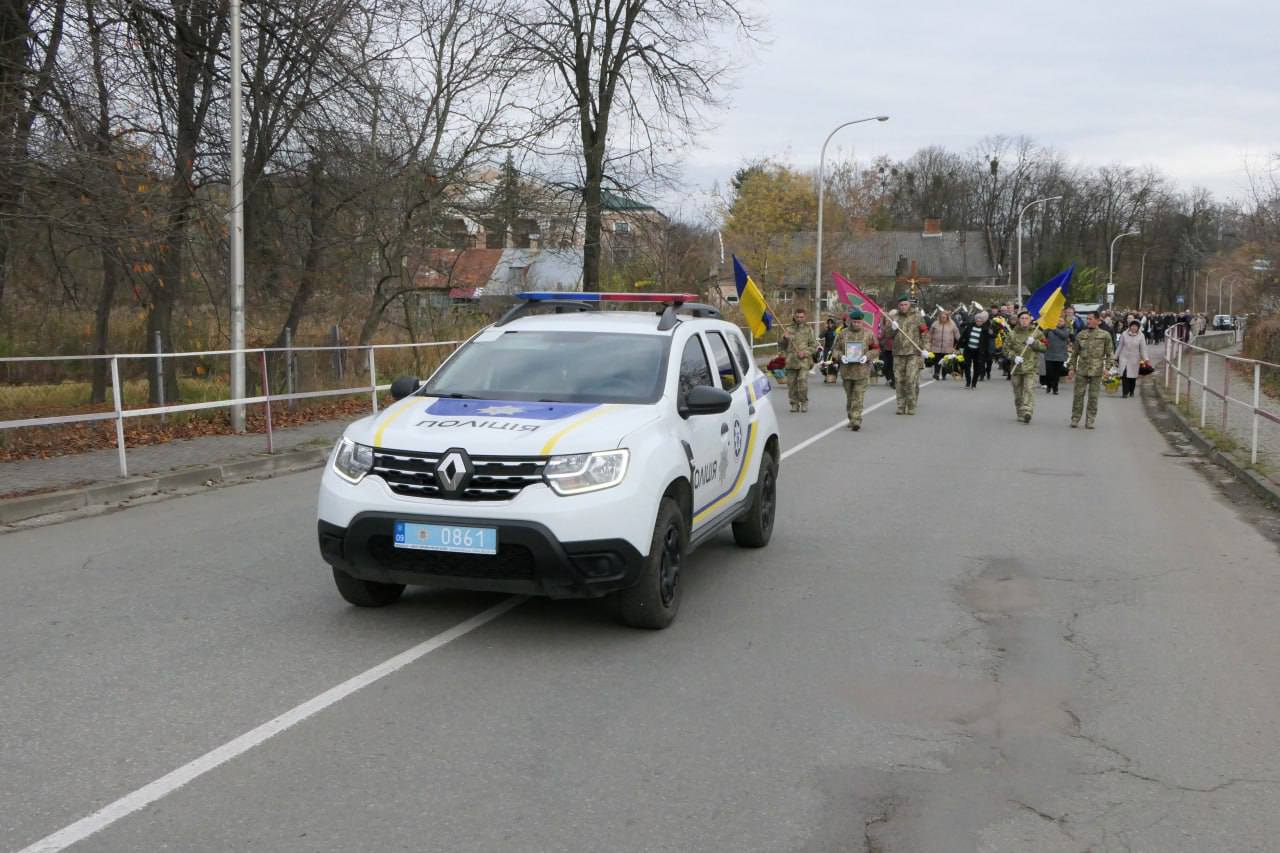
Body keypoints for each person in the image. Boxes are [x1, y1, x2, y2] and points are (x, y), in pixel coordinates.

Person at [832, 308, 879, 430]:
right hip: (847, 371)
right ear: (850, 321)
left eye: (859, 322)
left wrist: (867, 356)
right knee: (850, 397)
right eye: (854, 321)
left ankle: (856, 420)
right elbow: (835, 349)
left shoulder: (869, 334)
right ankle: (851, 417)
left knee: (858, 397)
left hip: (862, 371)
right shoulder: (843, 333)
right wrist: (841, 356)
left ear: (862, 321)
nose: (857, 324)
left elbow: (876, 349)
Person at [1067, 311, 1115, 429]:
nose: (1088, 321)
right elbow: (1074, 354)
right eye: (1087, 319)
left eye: (1091, 319)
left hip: (1097, 370)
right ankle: (1075, 418)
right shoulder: (1081, 335)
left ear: (1098, 320)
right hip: (1082, 370)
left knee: (1093, 397)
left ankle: (1090, 420)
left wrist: (1107, 368)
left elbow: (1110, 353)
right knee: (1078, 395)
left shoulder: (1105, 335)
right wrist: (1071, 368)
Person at [888, 295, 929, 415]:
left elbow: (925, 333)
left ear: (909, 305)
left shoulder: (917, 317)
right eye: (901, 305)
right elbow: (887, 335)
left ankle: (911, 405)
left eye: (905, 304)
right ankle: (901, 406)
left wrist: (926, 349)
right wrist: (892, 328)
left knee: (911, 380)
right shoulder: (895, 317)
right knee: (899, 380)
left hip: (913, 353)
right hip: (898, 353)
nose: (903, 307)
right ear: (898, 306)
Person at [1006, 311, 1048, 423]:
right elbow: (1005, 349)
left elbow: (1045, 347)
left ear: (1030, 320)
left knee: (1029, 389)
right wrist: (1013, 357)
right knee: (1018, 393)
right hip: (1016, 368)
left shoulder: (1037, 333)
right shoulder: (1012, 334)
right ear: (1019, 320)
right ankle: (1020, 413)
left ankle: (1028, 411)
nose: (1024, 320)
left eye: (1026, 318)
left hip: (1031, 367)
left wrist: (1035, 343)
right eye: (1022, 318)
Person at [779, 308, 818, 412]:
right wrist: (784, 339)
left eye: (801, 317)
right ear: (794, 317)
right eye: (797, 317)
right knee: (791, 384)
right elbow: (781, 346)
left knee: (802, 381)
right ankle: (794, 403)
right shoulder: (788, 329)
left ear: (805, 317)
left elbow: (814, 346)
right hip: (791, 361)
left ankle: (804, 402)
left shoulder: (808, 329)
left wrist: (805, 353)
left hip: (803, 361)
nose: (799, 319)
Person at [1114, 318, 1149, 398]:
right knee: (1124, 375)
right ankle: (1125, 393)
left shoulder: (1141, 336)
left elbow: (1143, 348)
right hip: (1124, 357)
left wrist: (1145, 358)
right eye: (1132, 326)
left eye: (1135, 326)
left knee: (1132, 377)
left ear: (1138, 327)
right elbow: (1120, 346)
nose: (1134, 328)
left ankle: (1131, 390)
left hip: (1134, 358)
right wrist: (1115, 356)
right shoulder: (1124, 334)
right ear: (1129, 326)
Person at [958, 310, 993, 389]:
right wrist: (958, 347)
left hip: (979, 351)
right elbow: (963, 337)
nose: (979, 322)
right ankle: (968, 382)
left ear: (982, 322)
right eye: (977, 320)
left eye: (980, 321)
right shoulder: (970, 326)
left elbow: (991, 338)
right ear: (975, 320)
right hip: (968, 349)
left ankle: (974, 383)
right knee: (967, 366)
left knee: (977, 367)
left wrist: (991, 333)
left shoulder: (985, 329)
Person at [1043, 316, 1071, 395]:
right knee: (1049, 372)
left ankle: (1055, 388)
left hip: (1060, 355)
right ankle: (1049, 385)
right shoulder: (1050, 329)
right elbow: (1043, 335)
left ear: (1064, 322)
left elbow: (1064, 336)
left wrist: (1053, 328)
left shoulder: (1066, 330)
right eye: (1058, 320)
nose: (1059, 322)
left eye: (1061, 321)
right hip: (1049, 354)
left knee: (1056, 373)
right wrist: (1047, 327)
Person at [928, 310, 959, 380]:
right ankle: (936, 373)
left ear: (947, 317)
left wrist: (960, 342)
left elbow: (956, 333)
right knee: (937, 360)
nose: (943, 318)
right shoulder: (935, 324)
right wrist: (928, 342)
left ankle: (944, 374)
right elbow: (930, 334)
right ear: (939, 317)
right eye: (942, 317)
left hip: (947, 346)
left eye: (944, 317)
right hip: (936, 346)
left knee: (945, 361)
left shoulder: (952, 324)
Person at [877, 321, 895, 389]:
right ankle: (889, 379)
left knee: (892, 366)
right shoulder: (885, 328)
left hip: (894, 350)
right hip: (885, 349)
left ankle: (893, 380)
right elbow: (880, 336)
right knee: (885, 366)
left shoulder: (898, 327)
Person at [820, 318, 839, 384]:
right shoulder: (826, 331)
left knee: (833, 363)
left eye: (831, 323)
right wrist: (824, 330)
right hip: (827, 348)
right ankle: (826, 376)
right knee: (825, 363)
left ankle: (833, 377)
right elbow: (820, 336)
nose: (830, 324)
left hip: (834, 349)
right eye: (829, 323)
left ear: (834, 324)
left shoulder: (836, 331)